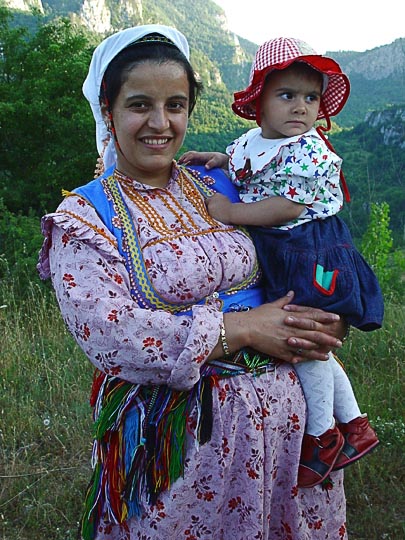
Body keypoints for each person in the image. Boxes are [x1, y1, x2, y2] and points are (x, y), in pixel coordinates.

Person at [38, 26, 352, 540]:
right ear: (108, 109)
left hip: (289, 440)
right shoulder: (85, 217)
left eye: (176, 105)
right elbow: (113, 336)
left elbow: (305, 240)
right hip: (180, 448)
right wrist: (242, 330)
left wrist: (328, 311)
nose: (159, 123)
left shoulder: (218, 183)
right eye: (140, 105)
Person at [180, 37, 382, 489]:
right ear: (260, 103)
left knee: (301, 335)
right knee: (313, 341)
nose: (300, 108)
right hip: (287, 251)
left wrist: (230, 213)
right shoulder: (256, 140)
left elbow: (286, 205)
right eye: (286, 95)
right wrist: (217, 160)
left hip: (312, 250)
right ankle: (354, 425)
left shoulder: (308, 151)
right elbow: (246, 164)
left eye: (310, 98)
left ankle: (321, 435)